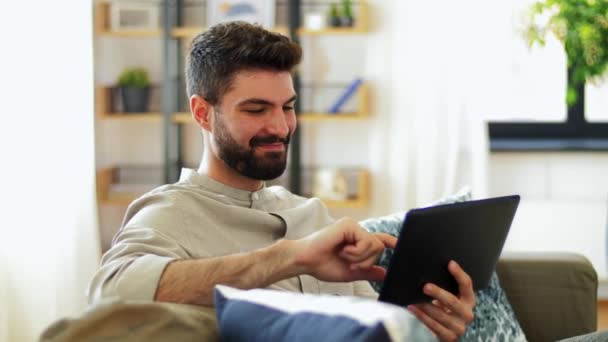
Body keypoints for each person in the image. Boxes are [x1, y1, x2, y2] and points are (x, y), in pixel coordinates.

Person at [88, 21, 475, 341]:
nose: (279, 126)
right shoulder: (171, 212)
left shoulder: (312, 214)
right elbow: (111, 290)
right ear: (203, 113)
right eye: (256, 109)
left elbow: (370, 328)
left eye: (288, 107)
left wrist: (428, 326)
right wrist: (292, 257)